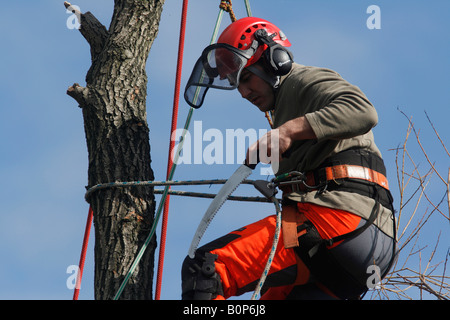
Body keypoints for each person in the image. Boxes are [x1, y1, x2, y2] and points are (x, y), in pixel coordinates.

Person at [181, 17, 397, 300]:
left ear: (274, 59)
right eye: (237, 85)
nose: (244, 93)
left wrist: (288, 130)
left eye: (246, 78)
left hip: (340, 222)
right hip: (363, 253)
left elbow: (363, 112)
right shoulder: (285, 109)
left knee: (206, 269)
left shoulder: (302, 79)